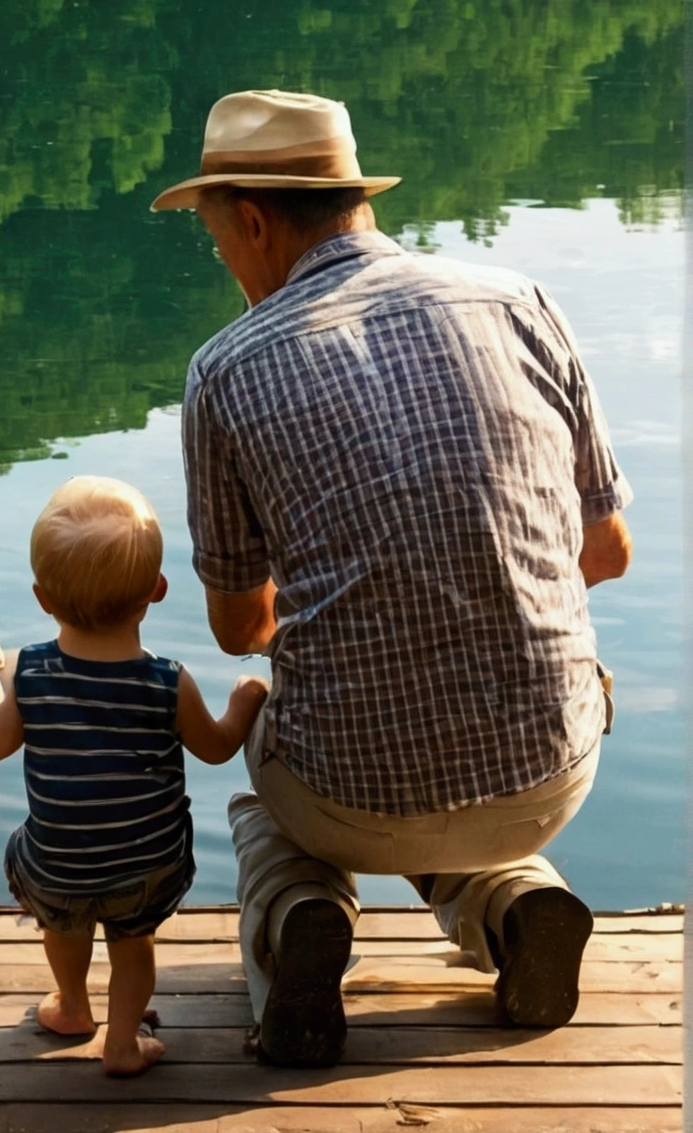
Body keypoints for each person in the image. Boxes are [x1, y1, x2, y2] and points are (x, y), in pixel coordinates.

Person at [152, 89, 632, 1070]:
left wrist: (356, 591)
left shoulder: (226, 368)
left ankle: (295, 918)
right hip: (552, 769)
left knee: (264, 781)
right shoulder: (520, 300)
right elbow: (606, 550)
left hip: (345, 788)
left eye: (217, 242)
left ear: (251, 220)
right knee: (436, 733)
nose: (226, 265)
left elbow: (241, 626)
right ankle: (514, 902)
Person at [0, 474, 268, 1077]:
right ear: (157, 590)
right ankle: (123, 1041)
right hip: (146, 866)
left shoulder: (31, 674)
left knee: (64, 921)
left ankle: (73, 1007)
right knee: (133, 943)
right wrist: (245, 699)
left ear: (43, 598)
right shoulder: (166, 680)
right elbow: (213, 749)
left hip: (57, 865)